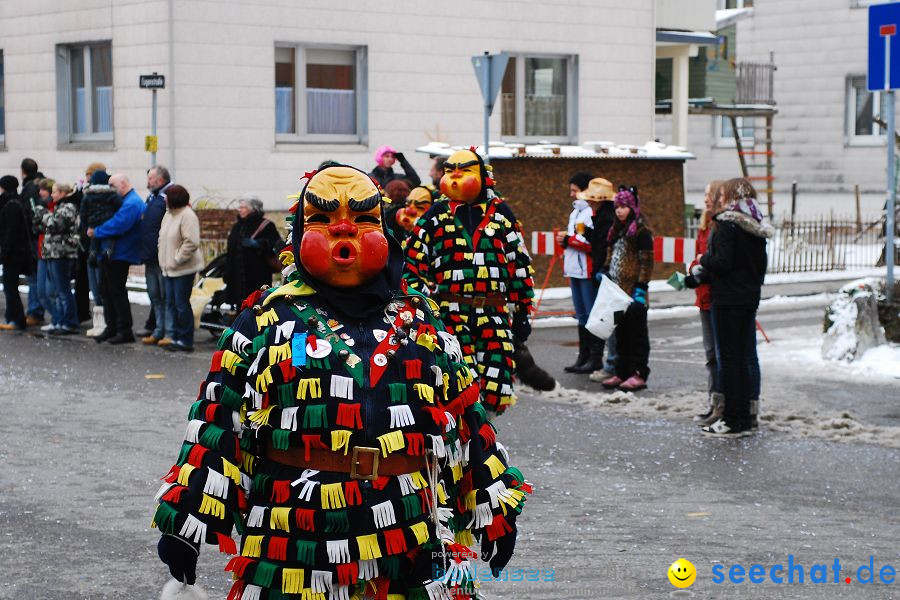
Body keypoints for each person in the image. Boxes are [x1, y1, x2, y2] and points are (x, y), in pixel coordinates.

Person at [153, 164, 529, 599]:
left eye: (365, 220)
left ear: (386, 234)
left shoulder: (420, 321)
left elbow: (468, 422)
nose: (344, 233)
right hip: (296, 541)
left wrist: (495, 507)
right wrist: (186, 524)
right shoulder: (264, 321)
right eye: (322, 221)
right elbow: (217, 422)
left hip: (410, 535)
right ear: (297, 235)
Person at [403, 148, 535, 417]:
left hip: (494, 314)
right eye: (449, 170)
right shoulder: (434, 216)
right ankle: (466, 443)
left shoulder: (502, 215)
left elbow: (519, 264)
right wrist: (424, 305)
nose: (455, 176)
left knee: (496, 387)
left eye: (463, 170)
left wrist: (522, 311)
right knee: (457, 384)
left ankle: (486, 441)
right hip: (450, 314)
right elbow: (412, 265)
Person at [698, 178, 772, 437]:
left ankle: (731, 420)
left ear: (730, 197)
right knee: (743, 359)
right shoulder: (756, 225)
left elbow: (722, 262)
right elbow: (760, 268)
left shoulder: (728, 224)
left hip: (727, 299)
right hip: (748, 298)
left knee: (729, 361)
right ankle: (744, 418)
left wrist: (702, 259)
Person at [599, 188, 654, 392]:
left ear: (632, 208)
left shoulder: (640, 232)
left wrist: (641, 287)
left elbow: (646, 262)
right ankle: (622, 371)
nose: (620, 211)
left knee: (637, 335)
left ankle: (638, 373)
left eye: (623, 207)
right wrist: (605, 270)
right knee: (621, 334)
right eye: (617, 207)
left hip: (634, 292)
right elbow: (611, 253)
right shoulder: (616, 230)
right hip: (616, 291)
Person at [557, 174, 611, 375]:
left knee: (591, 315)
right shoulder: (575, 212)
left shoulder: (590, 212)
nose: (572, 194)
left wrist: (569, 240)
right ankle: (583, 356)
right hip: (574, 270)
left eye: (575, 190)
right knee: (581, 316)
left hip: (587, 270)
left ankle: (594, 358)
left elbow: (592, 244)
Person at [685, 180, 725, 427]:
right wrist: (694, 268)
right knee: (710, 356)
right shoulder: (704, 226)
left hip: (717, 298)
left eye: (709, 195)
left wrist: (702, 265)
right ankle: (714, 403)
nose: (705, 199)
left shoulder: (721, 227)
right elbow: (698, 258)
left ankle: (723, 404)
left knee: (720, 355)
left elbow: (714, 261)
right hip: (703, 297)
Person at [88, 173, 145, 344]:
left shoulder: (132, 203)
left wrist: (96, 231)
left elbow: (118, 224)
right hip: (112, 252)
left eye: (112, 185)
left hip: (120, 254)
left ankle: (124, 330)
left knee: (116, 292)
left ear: (123, 184)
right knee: (106, 291)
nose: (110, 189)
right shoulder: (125, 201)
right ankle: (111, 327)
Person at [157, 184, 203, 352]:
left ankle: (185, 339)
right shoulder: (169, 215)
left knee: (181, 304)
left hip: (183, 269)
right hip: (168, 268)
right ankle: (174, 336)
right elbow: (163, 238)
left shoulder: (187, 216)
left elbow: (191, 242)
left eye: (167, 197)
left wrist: (176, 259)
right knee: (171, 303)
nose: (165, 200)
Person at [32, 181, 81, 334]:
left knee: (63, 290)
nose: (52, 195)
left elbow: (54, 224)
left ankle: (70, 322)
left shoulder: (69, 207)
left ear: (63, 193)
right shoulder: (60, 207)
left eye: (54, 192)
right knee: (58, 291)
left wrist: (43, 213)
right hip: (53, 252)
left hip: (62, 253)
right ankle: (60, 321)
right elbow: (43, 227)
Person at [223, 194, 284, 307]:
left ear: (253, 209)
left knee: (258, 305)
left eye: (243, 207)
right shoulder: (237, 226)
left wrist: (258, 244)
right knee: (240, 305)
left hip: (257, 275)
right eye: (239, 207)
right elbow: (230, 251)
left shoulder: (267, 225)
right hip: (237, 277)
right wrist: (227, 272)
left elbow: (276, 245)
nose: (239, 210)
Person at [80, 169, 120, 336]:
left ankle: (99, 321)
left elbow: (82, 215)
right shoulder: (113, 196)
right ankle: (107, 254)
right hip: (108, 234)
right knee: (106, 262)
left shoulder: (87, 196)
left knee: (94, 264)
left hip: (92, 233)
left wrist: (88, 227)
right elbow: (118, 213)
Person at [140, 165, 175, 346]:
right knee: (155, 296)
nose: (148, 182)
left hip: (162, 257)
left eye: (151, 178)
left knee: (165, 297)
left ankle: (169, 332)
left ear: (160, 180)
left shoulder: (168, 197)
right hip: (150, 256)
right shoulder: (152, 198)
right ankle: (158, 329)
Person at [0, 175, 32, 331]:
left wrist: (4, 252)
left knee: (10, 287)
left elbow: (10, 233)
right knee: (10, 287)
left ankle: (16, 319)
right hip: (15, 252)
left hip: (14, 254)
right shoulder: (15, 202)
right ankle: (13, 317)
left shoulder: (11, 205)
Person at [20, 158, 48, 327]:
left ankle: (35, 311)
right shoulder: (40, 183)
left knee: (34, 277)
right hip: (38, 238)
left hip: (33, 239)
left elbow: (31, 213)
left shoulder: (30, 188)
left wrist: (30, 234)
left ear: (23, 171)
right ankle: (35, 310)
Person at [30, 178, 56, 332]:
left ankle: (60, 318)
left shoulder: (56, 207)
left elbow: (51, 226)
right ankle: (57, 318)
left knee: (51, 290)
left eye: (43, 190)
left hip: (53, 253)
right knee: (41, 291)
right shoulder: (41, 206)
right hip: (41, 251)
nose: (40, 193)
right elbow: (37, 226)